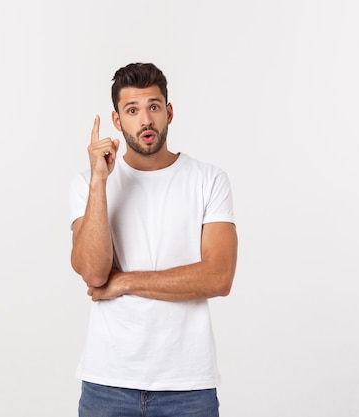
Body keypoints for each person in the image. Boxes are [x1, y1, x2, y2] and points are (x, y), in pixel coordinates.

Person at [69, 62, 238, 417]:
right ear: (117, 121)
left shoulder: (209, 179)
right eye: (132, 110)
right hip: (108, 382)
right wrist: (100, 182)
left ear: (169, 112)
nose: (145, 120)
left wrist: (126, 281)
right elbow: (94, 275)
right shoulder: (88, 184)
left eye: (153, 107)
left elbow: (219, 277)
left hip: (188, 386)